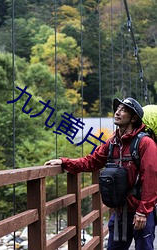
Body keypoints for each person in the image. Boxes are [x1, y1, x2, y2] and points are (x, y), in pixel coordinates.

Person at [44, 97, 157, 250]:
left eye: (123, 110)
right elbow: (92, 161)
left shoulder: (145, 143)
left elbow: (151, 178)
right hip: (120, 211)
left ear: (134, 118)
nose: (117, 112)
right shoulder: (112, 143)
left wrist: (143, 212)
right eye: (117, 109)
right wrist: (65, 162)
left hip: (140, 211)